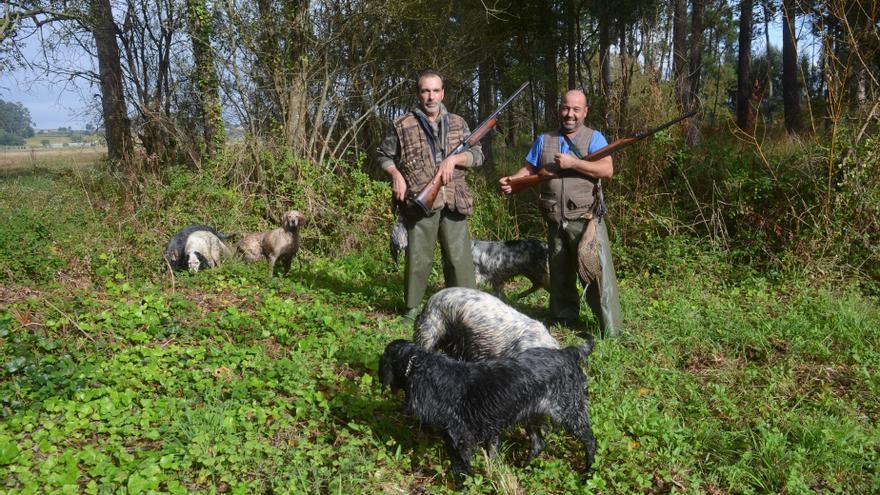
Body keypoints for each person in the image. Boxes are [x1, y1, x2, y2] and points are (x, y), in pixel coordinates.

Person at [499, 89, 622, 336]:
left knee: (597, 274)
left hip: (586, 221)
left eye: (576, 109)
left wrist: (574, 163)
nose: (570, 114)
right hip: (555, 219)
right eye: (566, 108)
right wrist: (513, 180)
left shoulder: (594, 137)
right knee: (560, 274)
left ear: (585, 112)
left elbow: (606, 170)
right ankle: (564, 320)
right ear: (559, 109)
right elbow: (529, 168)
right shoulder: (544, 139)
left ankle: (611, 329)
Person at [377, 69, 483, 319]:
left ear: (443, 93)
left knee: (459, 259)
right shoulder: (402, 124)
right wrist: (395, 174)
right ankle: (412, 309)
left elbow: (478, 155)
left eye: (436, 91)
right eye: (425, 90)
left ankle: (465, 308)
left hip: (454, 198)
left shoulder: (459, 123)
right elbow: (383, 155)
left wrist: (456, 159)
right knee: (419, 258)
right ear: (418, 93)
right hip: (420, 200)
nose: (431, 97)